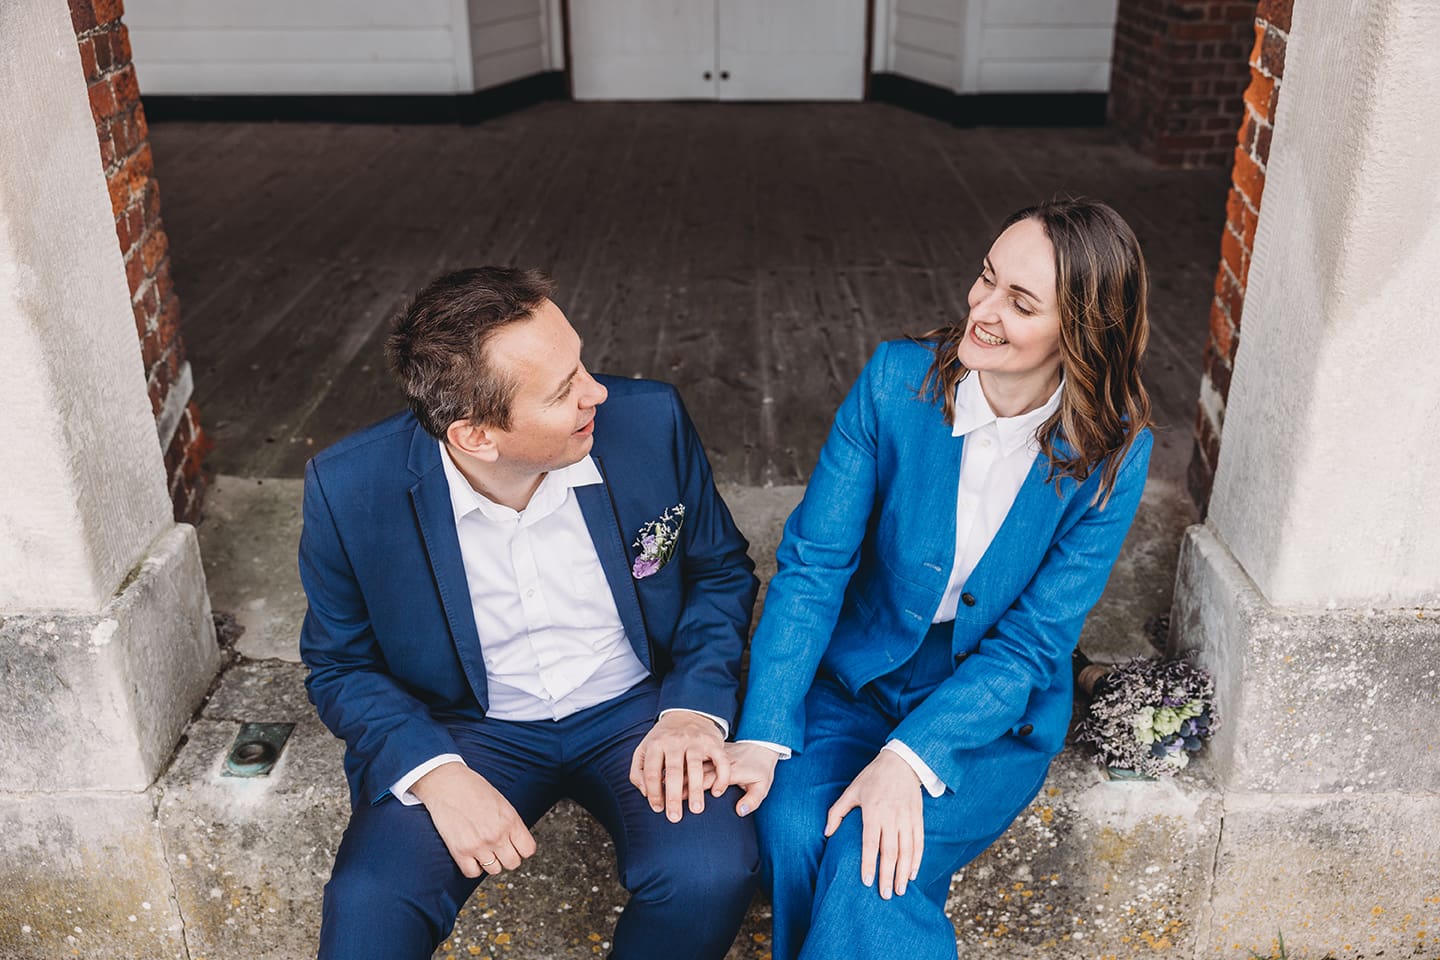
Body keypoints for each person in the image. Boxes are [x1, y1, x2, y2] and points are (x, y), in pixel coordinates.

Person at [723, 199, 1154, 959]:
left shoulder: (1116, 450)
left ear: (1082, 332)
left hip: (989, 705)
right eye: (985, 279)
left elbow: (1032, 642)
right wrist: (764, 726)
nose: (983, 311)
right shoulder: (895, 383)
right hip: (855, 675)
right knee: (792, 834)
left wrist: (910, 755)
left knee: (867, 862)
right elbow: (814, 567)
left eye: (1021, 304)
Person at [298, 267, 760, 960]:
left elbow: (718, 572)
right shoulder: (349, 487)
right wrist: (436, 773)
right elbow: (339, 665)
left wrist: (692, 708)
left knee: (710, 870)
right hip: (468, 729)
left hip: (636, 707)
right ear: (477, 435)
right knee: (370, 904)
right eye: (563, 389)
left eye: (580, 363)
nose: (595, 392)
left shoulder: (649, 422)